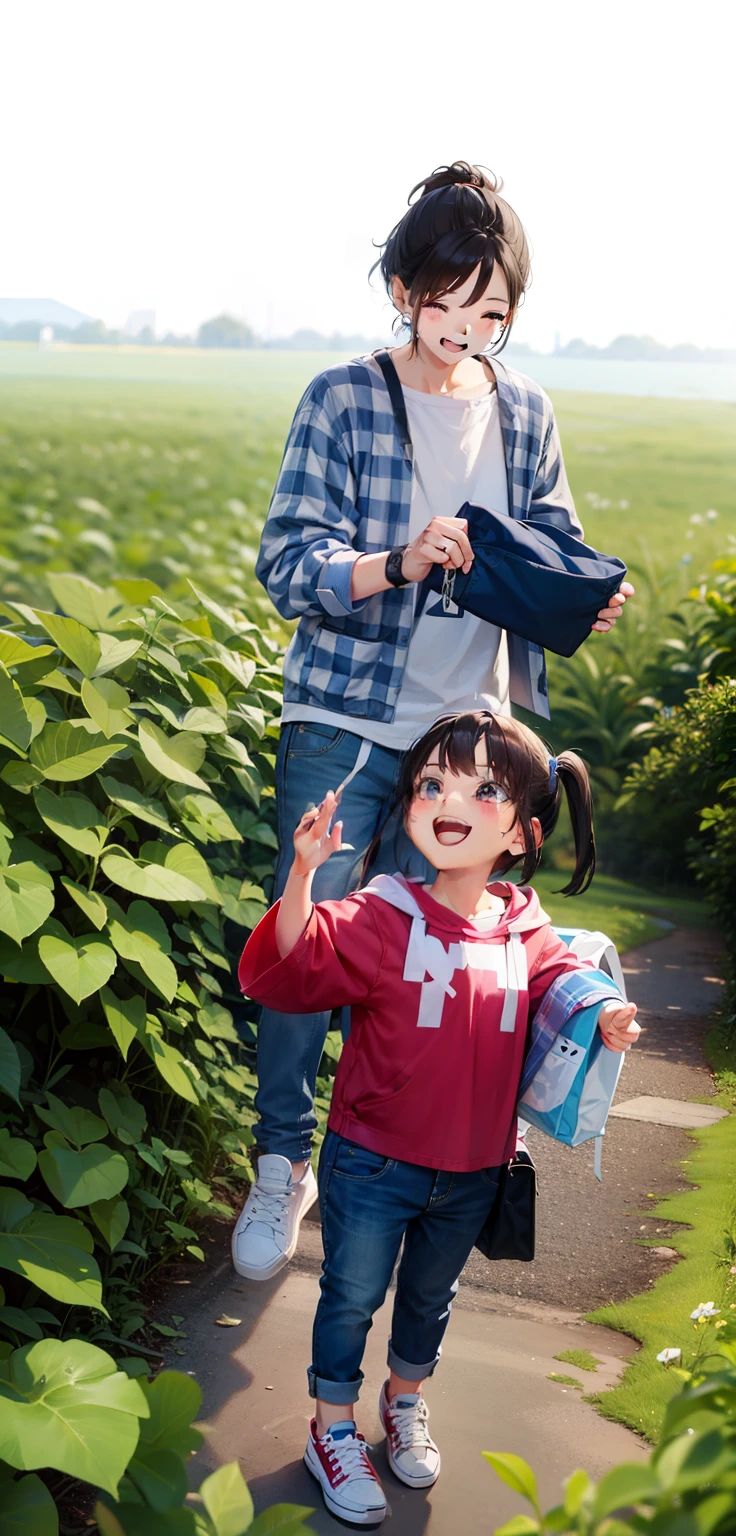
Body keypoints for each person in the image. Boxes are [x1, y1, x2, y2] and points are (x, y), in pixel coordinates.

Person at [231, 159, 634, 1284]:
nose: (463, 329)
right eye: (444, 301)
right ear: (403, 289)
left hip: (467, 739)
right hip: (345, 723)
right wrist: (394, 561)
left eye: (490, 310)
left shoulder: (525, 411)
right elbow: (286, 560)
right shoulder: (343, 397)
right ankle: (278, 1160)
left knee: (429, 974)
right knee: (310, 938)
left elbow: (547, 541)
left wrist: (581, 594)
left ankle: (378, 1171)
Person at [238, 710, 640, 1526]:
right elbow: (297, 959)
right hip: (373, 1158)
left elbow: (570, 977)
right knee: (350, 1295)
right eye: (434, 783)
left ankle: (405, 1402)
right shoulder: (383, 909)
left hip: (473, 1164)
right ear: (412, 801)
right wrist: (303, 876)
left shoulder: (523, 925)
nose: (450, 800)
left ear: (523, 835)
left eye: (483, 788)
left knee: (430, 1297)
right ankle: (333, 1428)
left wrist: (606, 1015)